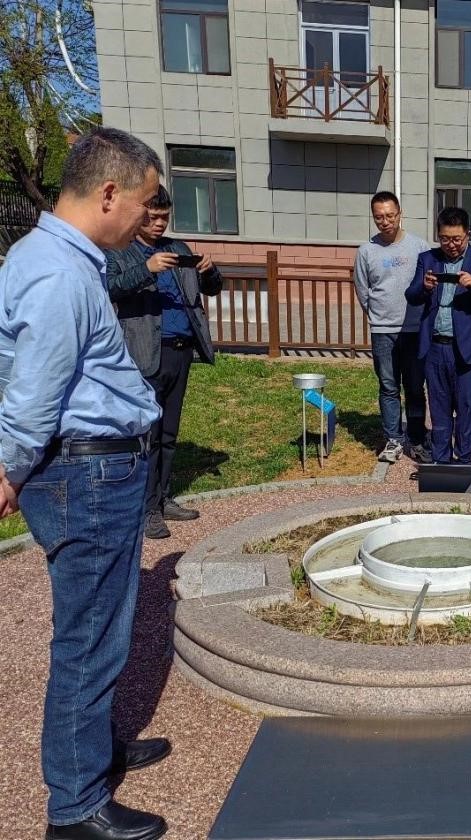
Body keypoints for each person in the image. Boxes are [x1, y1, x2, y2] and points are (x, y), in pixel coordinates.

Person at [0, 128, 171, 839]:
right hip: (88, 472)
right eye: (144, 201)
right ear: (108, 193)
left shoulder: (55, 259)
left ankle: (92, 753)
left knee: (99, 627)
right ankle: (73, 806)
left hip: (93, 467)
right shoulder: (59, 274)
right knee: (90, 638)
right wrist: (8, 469)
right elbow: (32, 392)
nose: (147, 216)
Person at [106, 185, 222, 540]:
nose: (159, 224)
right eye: (153, 217)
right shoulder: (120, 250)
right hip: (145, 353)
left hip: (179, 351)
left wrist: (209, 271)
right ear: (138, 214)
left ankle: (164, 496)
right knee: (148, 434)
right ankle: (147, 509)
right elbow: (110, 287)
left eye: (164, 217)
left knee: (169, 432)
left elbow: (212, 288)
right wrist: (147, 269)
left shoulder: (178, 248)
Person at [405, 207, 471, 464]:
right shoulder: (427, 259)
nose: (451, 245)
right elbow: (411, 296)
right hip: (435, 347)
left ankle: (464, 459)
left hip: (468, 349)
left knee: (467, 406)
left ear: (467, 234)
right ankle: (441, 459)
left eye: (456, 239)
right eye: (445, 238)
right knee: (439, 407)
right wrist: (424, 287)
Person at [353, 191, 432, 465]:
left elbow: (427, 286)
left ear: (400, 214)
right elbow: (363, 291)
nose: (385, 221)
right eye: (379, 217)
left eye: (390, 215)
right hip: (383, 330)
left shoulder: (419, 247)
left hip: (413, 329)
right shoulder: (366, 251)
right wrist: (378, 316)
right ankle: (393, 439)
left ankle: (417, 439)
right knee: (388, 386)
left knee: (415, 387)